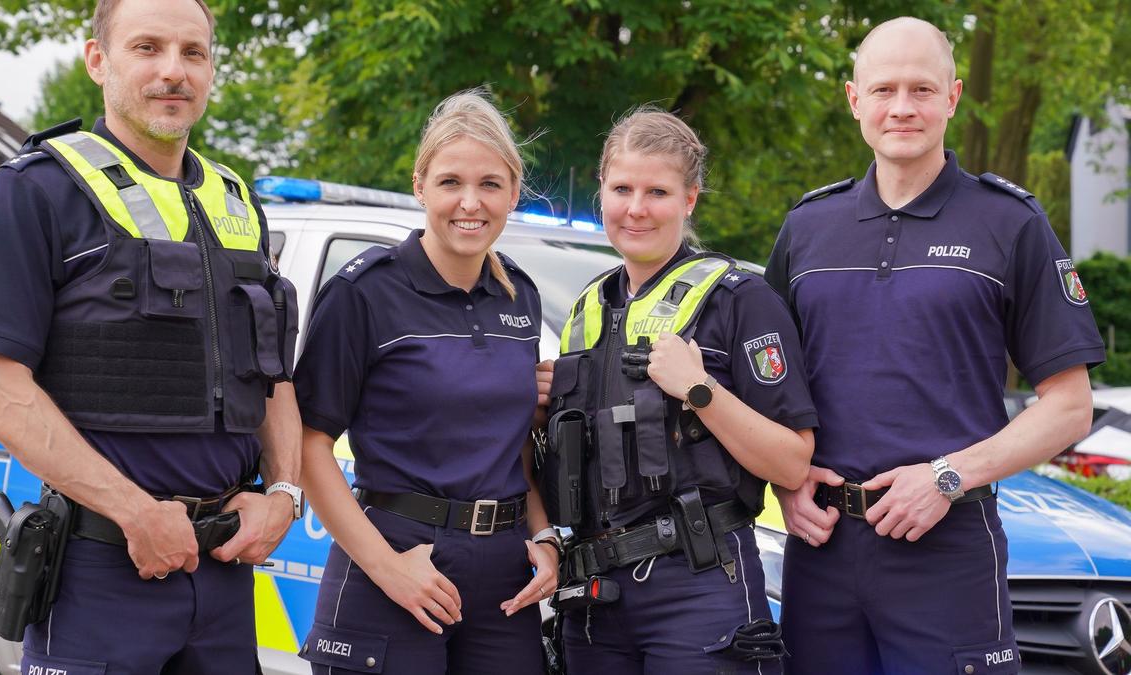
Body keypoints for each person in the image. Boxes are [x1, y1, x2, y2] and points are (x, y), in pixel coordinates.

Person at [0, 0, 304, 672]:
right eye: (147, 48)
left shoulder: (237, 204)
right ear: (97, 61)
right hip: (99, 571)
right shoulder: (37, 191)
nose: (173, 71)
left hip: (223, 574)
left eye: (192, 53)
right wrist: (138, 514)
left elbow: (273, 376)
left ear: (211, 70)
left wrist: (284, 494)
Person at [765, 17, 1106, 675]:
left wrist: (947, 476)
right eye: (884, 88)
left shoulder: (1010, 222)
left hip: (948, 551)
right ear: (853, 99)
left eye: (921, 89)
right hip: (822, 553)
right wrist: (787, 482)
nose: (901, 107)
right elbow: (769, 388)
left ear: (952, 97)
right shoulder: (806, 227)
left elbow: (1069, 408)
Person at [293, 90, 559, 674]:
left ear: (513, 193)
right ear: (420, 186)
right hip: (394, 557)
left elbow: (514, 445)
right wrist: (388, 569)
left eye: (491, 184)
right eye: (450, 183)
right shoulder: (363, 293)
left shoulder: (521, 294)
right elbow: (308, 447)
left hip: (502, 575)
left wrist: (546, 536)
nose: (471, 202)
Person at [543, 108, 817, 674]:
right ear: (601, 192)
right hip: (592, 598)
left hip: (698, 583)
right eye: (621, 188)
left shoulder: (741, 300)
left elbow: (792, 464)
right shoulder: (584, 310)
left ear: (690, 199)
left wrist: (699, 389)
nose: (636, 208)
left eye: (658, 192)